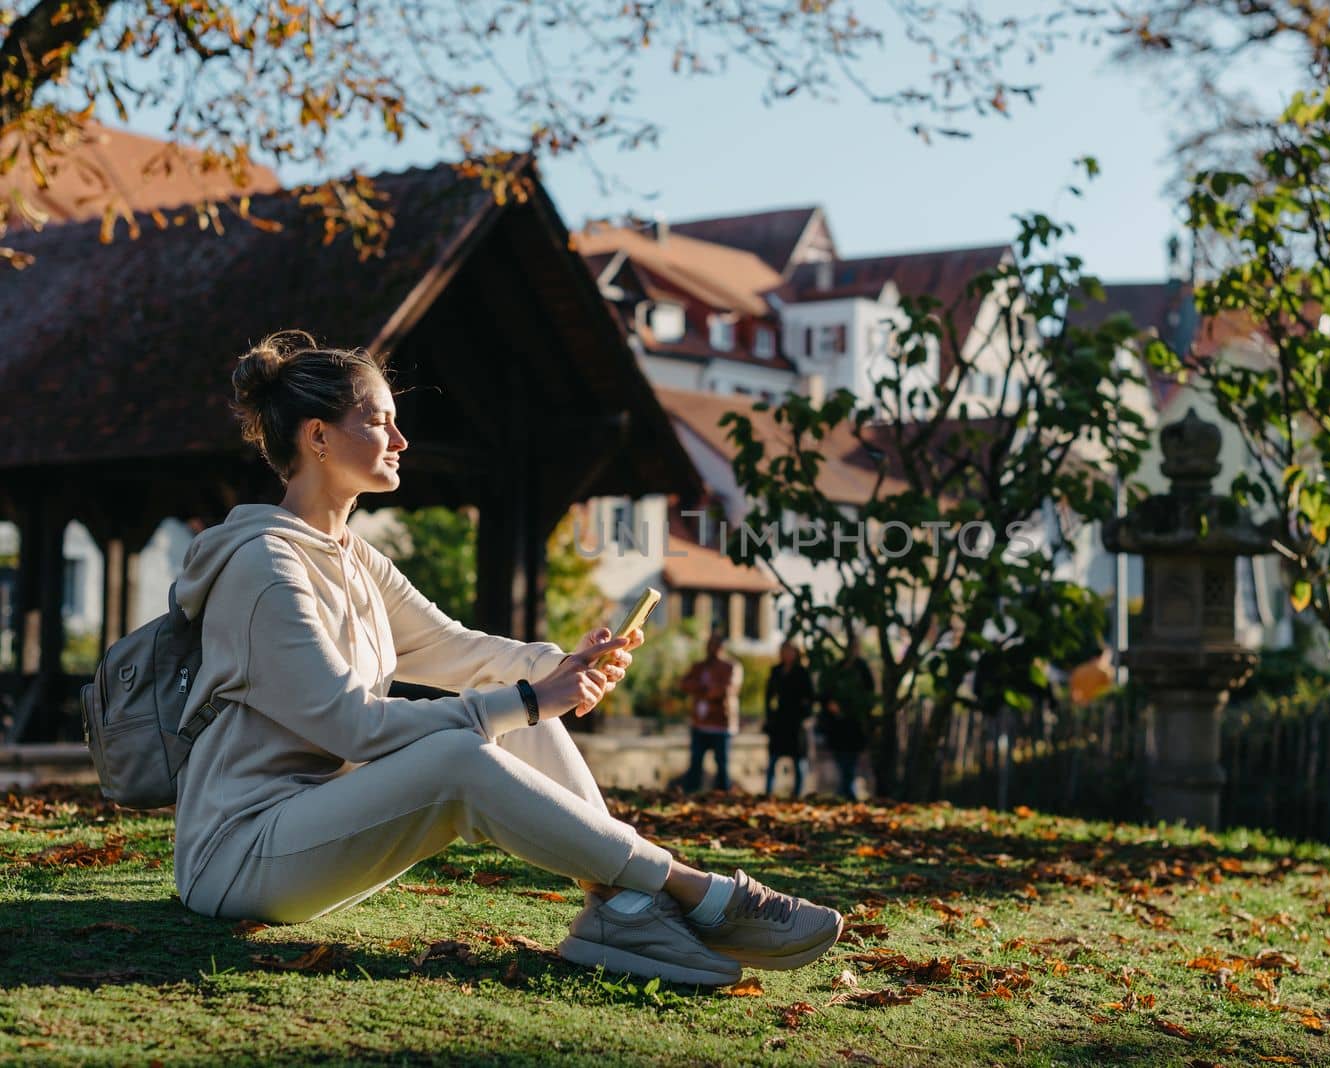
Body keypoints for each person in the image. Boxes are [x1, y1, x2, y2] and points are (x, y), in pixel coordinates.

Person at [172, 331, 841, 987]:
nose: (402, 441)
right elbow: (355, 728)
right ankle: (693, 890)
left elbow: (455, 648)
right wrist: (528, 700)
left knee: (512, 686)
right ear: (317, 437)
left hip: (319, 827)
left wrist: (558, 669)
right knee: (465, 751)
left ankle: (619, 907)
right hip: (240, 855)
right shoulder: (265, 568)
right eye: (380, 422)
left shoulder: (354, 558)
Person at [676, 632, 741, 792]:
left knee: (722, 765)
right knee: (695, 764)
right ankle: (691, 795)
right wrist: (705, 689)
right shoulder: (699, 666)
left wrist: (701, 689)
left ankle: (723, 797)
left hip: (721, 723)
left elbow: (725, 690)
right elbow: (684, 683)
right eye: (709, 645)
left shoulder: (731, 667)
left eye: (715, 645)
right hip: (700, 723)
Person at [817, 633, 874, 800]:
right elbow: (824, 692)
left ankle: (846, 792)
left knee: (851, 760)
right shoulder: (836, 669)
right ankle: (845, 792)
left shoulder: (862, 669)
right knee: (841, 759)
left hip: (854, 723)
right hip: (837, 724)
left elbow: (868, 695)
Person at [762, 640, 814, 797]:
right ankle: (768, 792)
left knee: (799, 761)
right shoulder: (776, 671)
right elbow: (769, 695)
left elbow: (809, 697)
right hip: (780, 721)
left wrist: (805, 716)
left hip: (796, 721)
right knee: (773, 759)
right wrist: (770, 715)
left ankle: (798, 794)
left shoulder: (802, 672)